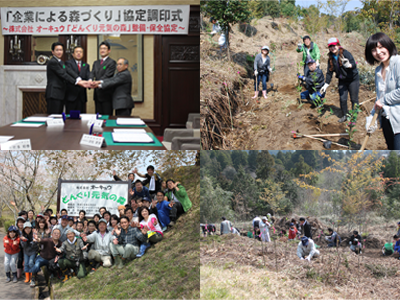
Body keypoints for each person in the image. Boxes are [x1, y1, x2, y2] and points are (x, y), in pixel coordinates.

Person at [365, 32, 400, 149]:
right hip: (386, 120)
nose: (378, 52)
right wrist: (371, 118)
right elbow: (379, 97)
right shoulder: (378, 70)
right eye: (374, 50)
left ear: (388, 45)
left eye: (381, 47)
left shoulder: (398, 63)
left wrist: (383, 100)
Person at [320, 37, 359, 123]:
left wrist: (349, 65)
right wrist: (326, 84)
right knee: (343, 99)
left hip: (353, 79)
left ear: (338, 45)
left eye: (334, 45)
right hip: (342, 80)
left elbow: (354, 64)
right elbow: (329, 72)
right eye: (330, 46)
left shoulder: (345, 53)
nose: (332, 48)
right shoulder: (331, 57)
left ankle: (354, 117)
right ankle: (345, 115)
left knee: (354, 99)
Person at [45, 42, 89, 114]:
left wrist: (78, 78)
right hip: (54, 94)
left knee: (59, 117)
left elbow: (69, 71)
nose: (59, 52)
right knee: (53, 117)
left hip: (60, 94)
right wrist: (77, 82)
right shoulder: (53, 62)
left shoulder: (61, 62)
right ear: (53, 52)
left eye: (61, 50)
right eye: (57, 50)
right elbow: (64, 74)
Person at [90, 41, 116, 115]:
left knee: (107, 117)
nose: (102, 50)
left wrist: (96, 82)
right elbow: (92, 73)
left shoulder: (112, 62)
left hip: (106, 94)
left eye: (104, 48)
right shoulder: (96, 62)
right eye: (101, 48)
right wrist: (90, 80)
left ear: (109, 50)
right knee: (98, 117)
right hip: (97, 95)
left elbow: (107, 75)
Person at [65, 46, 91, 113]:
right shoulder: (68, 63)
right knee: (70, 118)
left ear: (83, 54)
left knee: (81, 117)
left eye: (81, 52)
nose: (79, 53)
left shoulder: (86, 65)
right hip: (71, 96)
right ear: (73, 54)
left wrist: (90, 81)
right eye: (77, 52)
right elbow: (70, 74)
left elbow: (88, 75)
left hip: (82, 96)